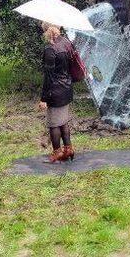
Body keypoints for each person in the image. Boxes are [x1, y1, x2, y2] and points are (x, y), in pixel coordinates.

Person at [39, 22, 75, 162]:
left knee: (54, 124)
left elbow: (48, 77)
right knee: (63, 122)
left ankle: (57, 152)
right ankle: (68, 149)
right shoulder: (66, 43)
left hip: (55, 91)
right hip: (66, 87)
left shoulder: (50, 49)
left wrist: (43, 98)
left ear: (46, 31)